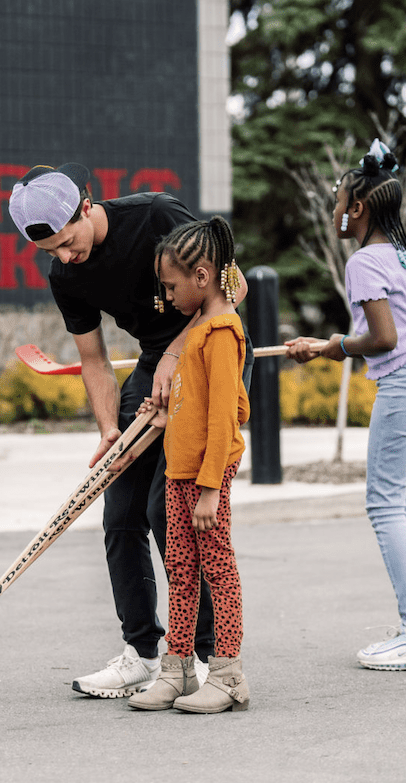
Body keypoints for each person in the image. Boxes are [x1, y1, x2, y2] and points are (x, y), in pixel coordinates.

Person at [8, 163, 252, 699]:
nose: (66, 258)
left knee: (171, 509)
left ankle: (206, 658)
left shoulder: (155, 216)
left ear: (87, 206)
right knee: (119, 514)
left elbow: (234, 287)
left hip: (210, 351)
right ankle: (143, 654)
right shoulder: (66, 276)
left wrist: (174, 355)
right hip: (152, 364)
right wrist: (107, 432)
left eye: (69, 242)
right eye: (53, 253)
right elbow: (93, 360)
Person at [285, 140, 406, 671]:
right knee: (401, 504)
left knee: (385, 505)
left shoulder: (364, 261)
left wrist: (330, 346)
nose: (334, 211)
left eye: (338, 202)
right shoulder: (401, 255)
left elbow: (382, 338)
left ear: (358, 209)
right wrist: (331, 344)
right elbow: (393, 331)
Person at [127, 217, 251, 713]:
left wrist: (210, 489)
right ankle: (177, 670)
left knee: (217, 570)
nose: (166, 298)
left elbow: (224, 417)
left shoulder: (221, 332)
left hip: (205, 478)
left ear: (202, 277)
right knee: (180, 570)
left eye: (171, 286)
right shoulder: (197, 333)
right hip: (180, 471)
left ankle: (228, 674)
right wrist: (161, 410)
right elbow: (194, 404)